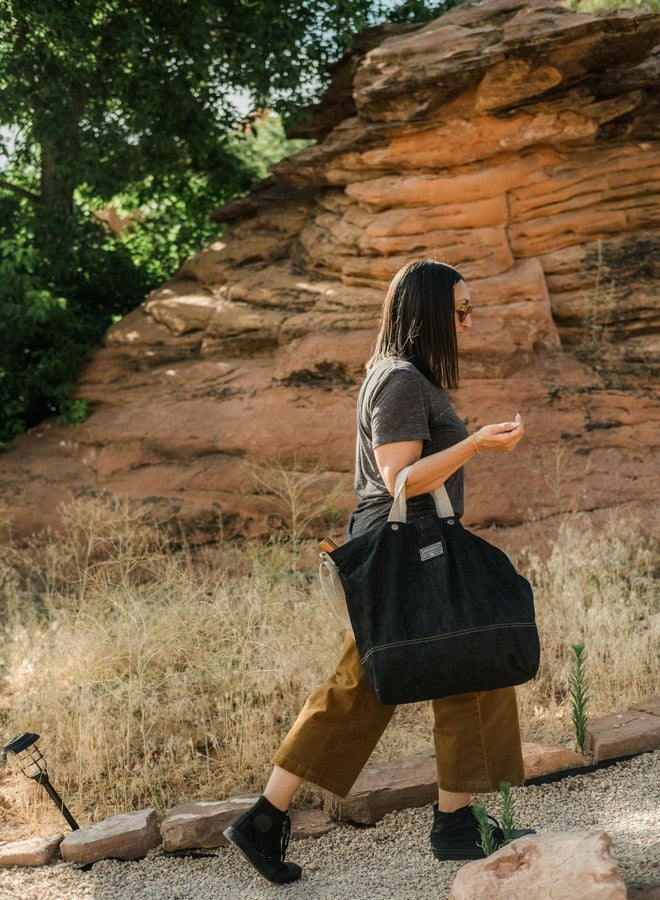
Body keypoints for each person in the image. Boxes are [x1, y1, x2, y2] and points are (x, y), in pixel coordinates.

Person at [224, 259, 534, 885]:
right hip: (402, 548)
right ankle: (265, 818)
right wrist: (475, 443)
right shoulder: (398, 382)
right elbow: (400, 480)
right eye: (460, 310)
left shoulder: (408, 377)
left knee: (456, 664)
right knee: (364, 685)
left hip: (412, 545)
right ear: (427, 316)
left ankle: (453, 822)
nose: (469, 322)